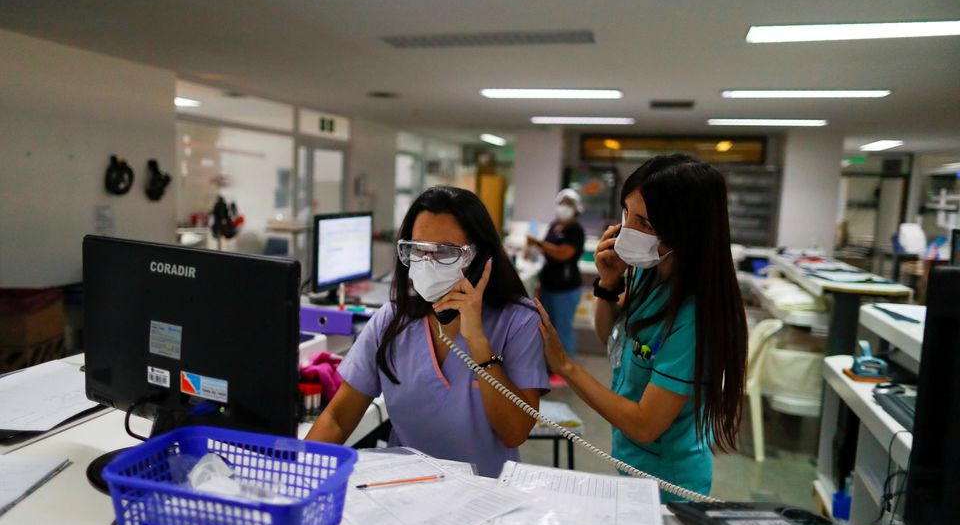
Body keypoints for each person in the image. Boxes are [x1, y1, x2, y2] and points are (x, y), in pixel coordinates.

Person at [534, 154, 747, 500]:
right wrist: (608, 283)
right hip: (633, 465)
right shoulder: (653, 273)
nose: (628, 231)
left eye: (645, 223)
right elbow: (613, 339)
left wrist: (565, 365)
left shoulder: (692, 317)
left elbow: (645, 424)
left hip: (670, 485)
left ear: (684, 231)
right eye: (625, 215)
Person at [306, 186, 549, 477]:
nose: (428, 262)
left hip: (487, 497)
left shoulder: (518, 321)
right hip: (405, 491)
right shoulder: (393, 321)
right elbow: (337, 418)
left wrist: (477, 341)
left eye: (445, 252)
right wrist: (295, 478)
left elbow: (514, 432)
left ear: (480, 258)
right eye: (418, 249)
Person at [527, 189, 586, 359]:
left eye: (568, 204)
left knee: (562, 330)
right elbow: (547, 250)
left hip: (565, 289)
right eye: (561, 203)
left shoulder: (575, 230)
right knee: (547, 328)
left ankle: (565, 369)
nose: (563, 207)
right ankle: (550, 365)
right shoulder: (554, 226)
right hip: (548, 287)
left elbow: (563, 253)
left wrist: (538, 243)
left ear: (575, 208)